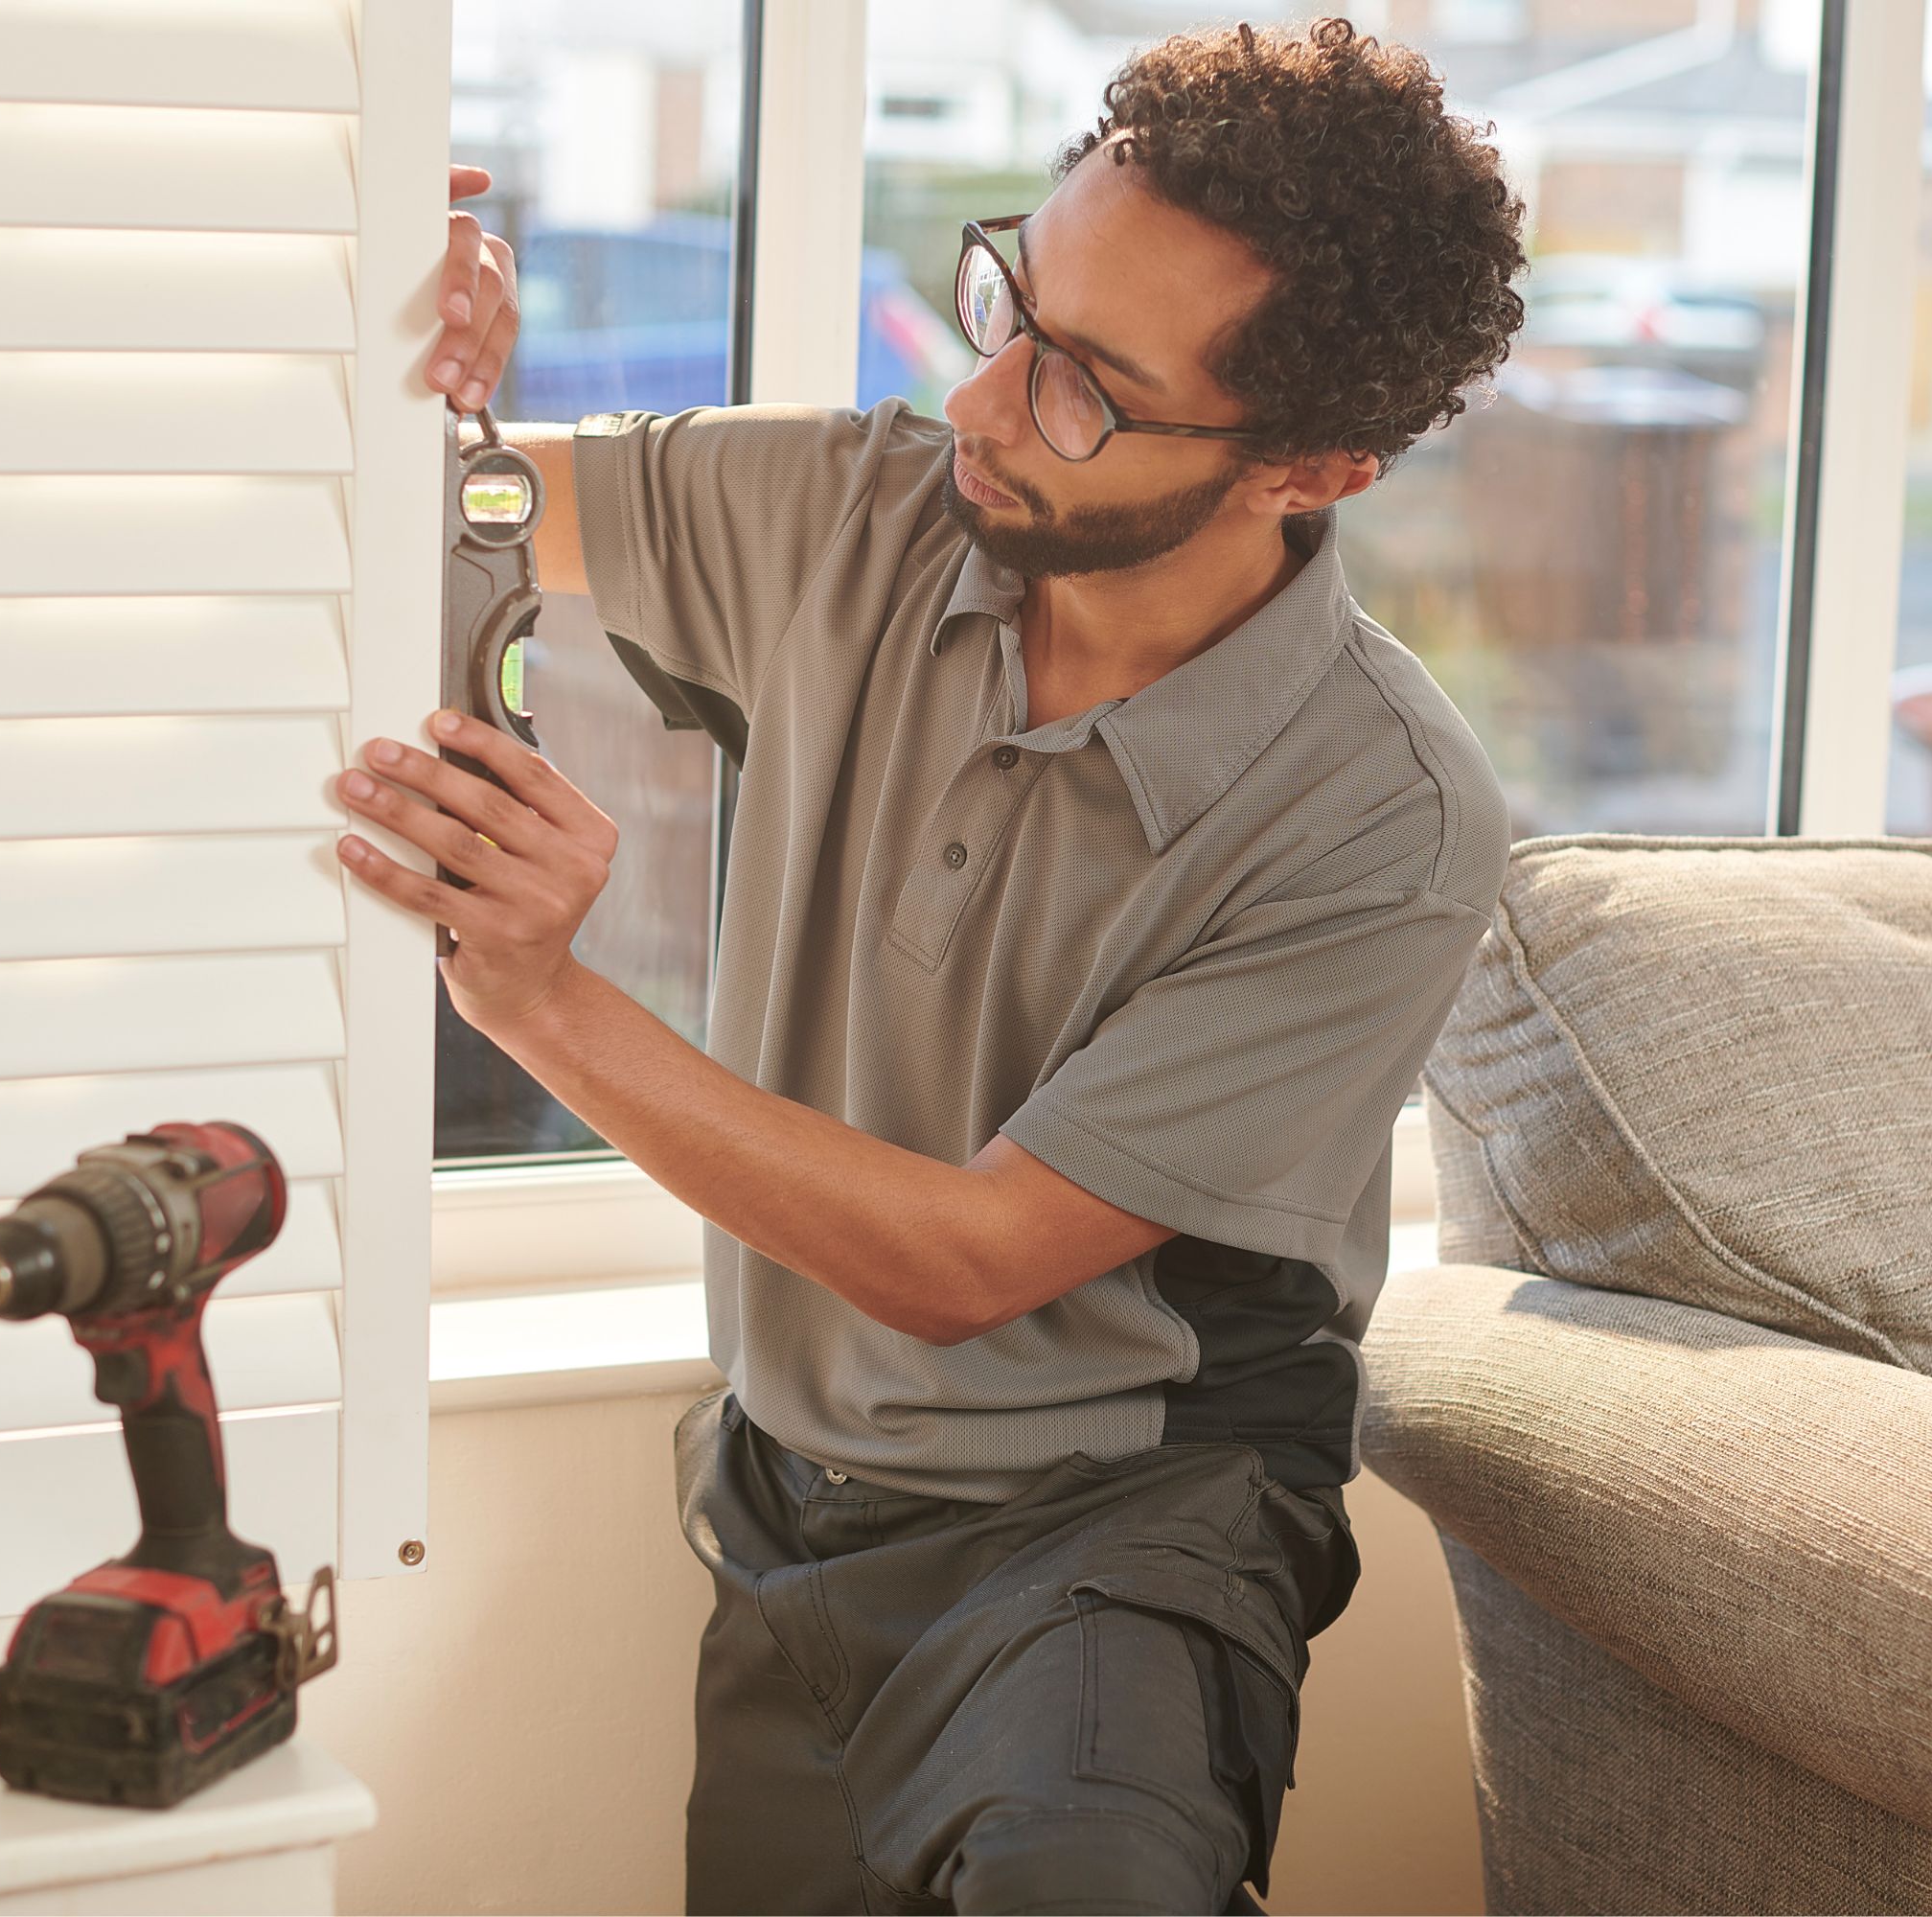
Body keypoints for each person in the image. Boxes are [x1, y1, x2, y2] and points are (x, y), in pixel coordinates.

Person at [352, 17, 1527, 1913]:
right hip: (790, 1519)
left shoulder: (1380, 816)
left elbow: (972, 1262)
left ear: (1312, 466)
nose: (984, 401)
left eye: (1083, 388)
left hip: (1118, 1533)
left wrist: (539, 997)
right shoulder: (872, 509)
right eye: (1011, 304)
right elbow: (456, 507)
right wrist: (395, 340)